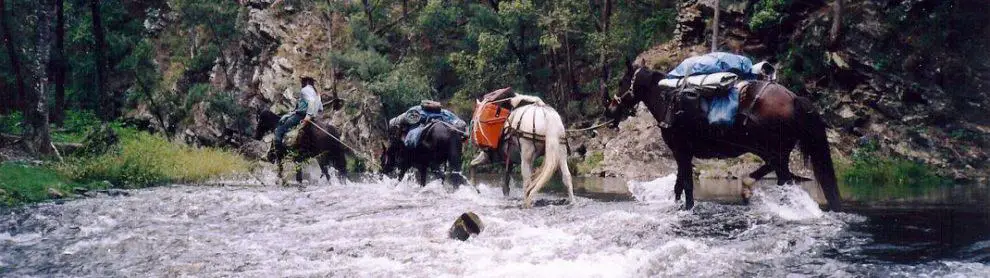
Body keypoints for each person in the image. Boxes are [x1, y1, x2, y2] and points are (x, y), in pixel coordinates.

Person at [389, 100, 466, 148]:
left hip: (413, 122)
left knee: (409, 141)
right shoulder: (445, 113)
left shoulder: (415, 110)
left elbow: (399, 121)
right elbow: (460, 123)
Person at [274, 76, 322, 151]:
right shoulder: (316, 92)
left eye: (302, 81)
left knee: (279, 129)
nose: (301, 83)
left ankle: (278, 153)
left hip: (301, 116)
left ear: (306, 82)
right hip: (314, 117)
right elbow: (320, 109)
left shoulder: (305, 90)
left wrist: (308, 116)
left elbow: (311, 102)